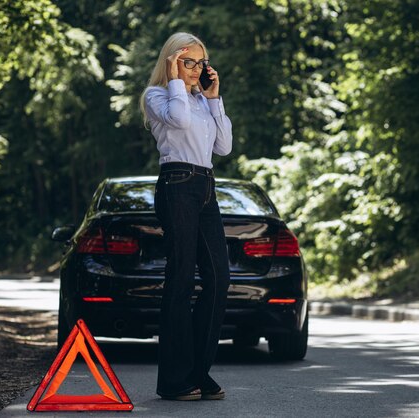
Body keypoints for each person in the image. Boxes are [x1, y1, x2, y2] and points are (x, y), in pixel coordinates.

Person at [139, 32, 233, 401]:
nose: (196, 69)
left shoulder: (200, 100)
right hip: (177, 183)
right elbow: (176, 123)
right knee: (180, 279)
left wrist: (214, 99)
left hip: (206, 186)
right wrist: (175, 79)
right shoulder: (158, 96)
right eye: (187, 61)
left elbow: (223, 146)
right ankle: (174, 380)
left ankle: (197, 371)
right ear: (172, 62)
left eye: (200, 62)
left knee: (219, 277)